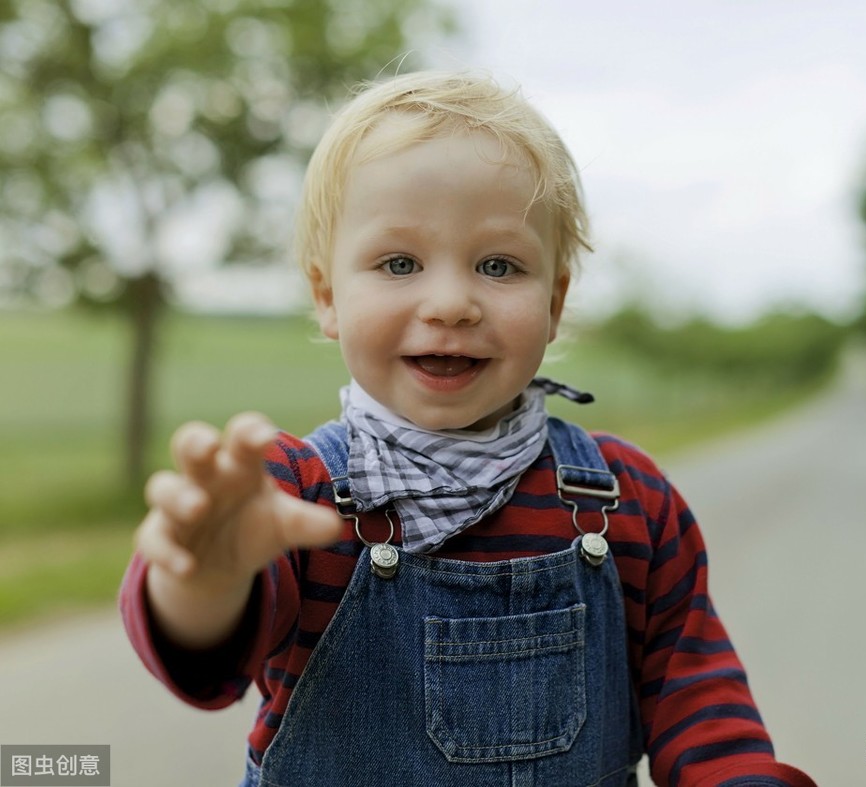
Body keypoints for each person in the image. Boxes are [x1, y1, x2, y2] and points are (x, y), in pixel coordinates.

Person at [119, 71, 817, 787]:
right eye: (399, 263)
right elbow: (204, 659)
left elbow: (699, 698)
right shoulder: (297, 496)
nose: (451, 303)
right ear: (327, 294)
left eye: (497, 265)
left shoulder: (625, 499)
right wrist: (206, 578)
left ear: (554, 299)